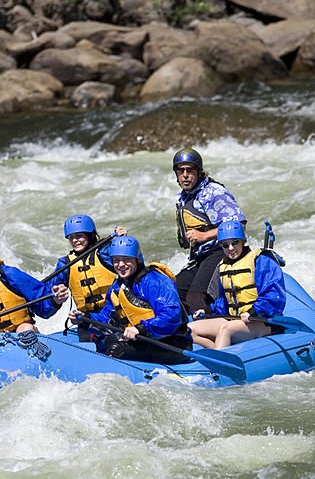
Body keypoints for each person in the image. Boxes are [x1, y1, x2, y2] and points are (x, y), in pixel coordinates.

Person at [75, 234, 192, 363]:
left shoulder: (154, 281)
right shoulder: (118, 285)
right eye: (116, 260)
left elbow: (171, 315)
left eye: (126, 259)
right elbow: (106, 317)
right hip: (145, 341)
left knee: (116, 348)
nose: (121, 265)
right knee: (103, 339)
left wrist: (141, 329)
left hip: (172, 343)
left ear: (137, 259)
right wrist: (86, 318)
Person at [189, 220, 286, 350]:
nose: (231, 248)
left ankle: (220, 365)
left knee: (226, 329)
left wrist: (254, 311)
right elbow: (224, 301)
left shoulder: (261, 260)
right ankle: (219, 356)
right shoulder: (223, 266)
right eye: (225, 245)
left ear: (243, 241)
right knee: (190, 329)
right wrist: (207, 310)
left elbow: (274, 296)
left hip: (261, 321)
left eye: (235, 242)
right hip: (234, 320)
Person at [172, 148, 247, 315]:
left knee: (195, 298)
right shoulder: (183, 199)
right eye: (181, 170)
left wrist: (204, 235)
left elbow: (238, 224)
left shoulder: (214, 192)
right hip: (202, 256)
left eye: (190, 170)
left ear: (198, 172)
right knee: (174, 290)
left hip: (222, 250)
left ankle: (213, 333)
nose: (185, 175)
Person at [48, 214, 126, 314]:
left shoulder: (105, 251)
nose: (74, 240)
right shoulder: (65, 263)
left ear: (90, 235)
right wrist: (55, 299)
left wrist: (121, 240)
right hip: (87, 319)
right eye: (71, 237)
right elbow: (47, 302)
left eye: (79, 236)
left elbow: (133, 263)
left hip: (117, 313)